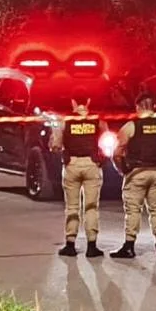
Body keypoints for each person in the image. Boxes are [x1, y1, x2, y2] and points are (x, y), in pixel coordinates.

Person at [111, 92, 156, 259]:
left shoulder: (131, 126)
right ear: (154, 106)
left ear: (137, 107)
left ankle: (129, 246)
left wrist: (122, 169)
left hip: (137, 172)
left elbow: (117, 152)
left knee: (133, 210)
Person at [50, 93, 106, 258]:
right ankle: (92, 246)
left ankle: (70, 244)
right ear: (88, 101)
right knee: (91, 206)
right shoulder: (98, 121)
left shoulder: (65, 121)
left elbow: (56, 145)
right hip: (92, 164)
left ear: (72, 102)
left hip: (72, 165)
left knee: (72, 207)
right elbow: (106, 142)